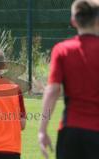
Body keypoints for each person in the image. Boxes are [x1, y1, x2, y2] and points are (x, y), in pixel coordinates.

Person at [38, 0, 99, 159]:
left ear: (73, 21)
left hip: (71, 130)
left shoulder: (63, 49)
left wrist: (42, 130)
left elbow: (52, 91)